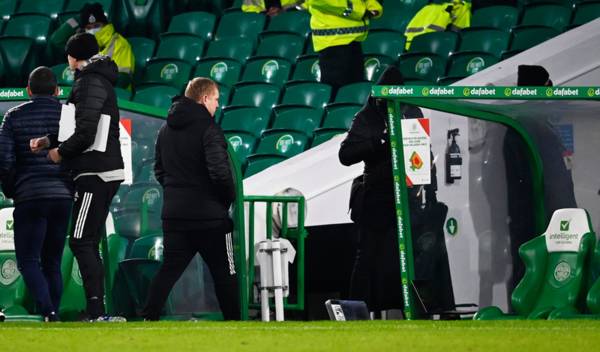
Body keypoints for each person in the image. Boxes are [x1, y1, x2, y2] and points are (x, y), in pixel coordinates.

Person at [339, 66, 454, 316]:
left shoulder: (412, 110)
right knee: (367, 259)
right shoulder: (367, 116)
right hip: (377, 201)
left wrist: (429, 189)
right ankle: (355, 312)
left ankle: (423, 310)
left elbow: (424, 152)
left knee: (418, 258)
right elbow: (345, 155)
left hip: (411, 198)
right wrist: (379, 141)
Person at [30, 33, 125, 322]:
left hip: (95, 171)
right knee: (87, 240)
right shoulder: (96, 80)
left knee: (81, 240)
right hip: (101, 168)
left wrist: (59, 153)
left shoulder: (89, 82)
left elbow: (84, 132)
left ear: (73, 57)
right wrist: (48, 141)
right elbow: (79, 126)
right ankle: (97, 310)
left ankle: (96, 311)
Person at [141, 78, 239, 321]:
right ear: (205, 98)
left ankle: (147, 317)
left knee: (168, 271)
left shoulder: (165, 129)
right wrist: (226, 200)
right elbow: (220, 173)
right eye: (216, 99)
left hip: (175, 215)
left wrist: (177, 194)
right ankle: (235, 323)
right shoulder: (209, 128)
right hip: (210, 218)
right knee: (225, 273)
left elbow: (159, 170)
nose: (217, 105)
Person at [0, 67, 74, 322]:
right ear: (57, 90)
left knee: (29, 260)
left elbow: (5, 160)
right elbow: (77, 152)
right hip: (62, 196)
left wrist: (11, 189)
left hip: (29, 196)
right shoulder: (68, 116)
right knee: (52, 261)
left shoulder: (12, 116)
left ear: (28, 90)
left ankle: (48, 311)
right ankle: (52, 314)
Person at [504, 64, 577, 293]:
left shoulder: (533, 125)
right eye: (547, 85)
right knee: (531, 270)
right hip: (537, 217)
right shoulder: (524, 126)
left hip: (549, 216)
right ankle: (525, 313)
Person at [305, 0, 383, 95]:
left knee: (355, 92)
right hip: (333, 42)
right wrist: (360, 10)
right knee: (340, 95)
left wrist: (372, 5)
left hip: (352, 40)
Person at [49, 2, 134, 88]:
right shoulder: (81, 43)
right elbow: (56, 41)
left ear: (105, 24)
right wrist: (77, 20)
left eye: (97, 25)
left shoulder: (119, 44)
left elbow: (122, 79)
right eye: (89, 27)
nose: (93, 30)